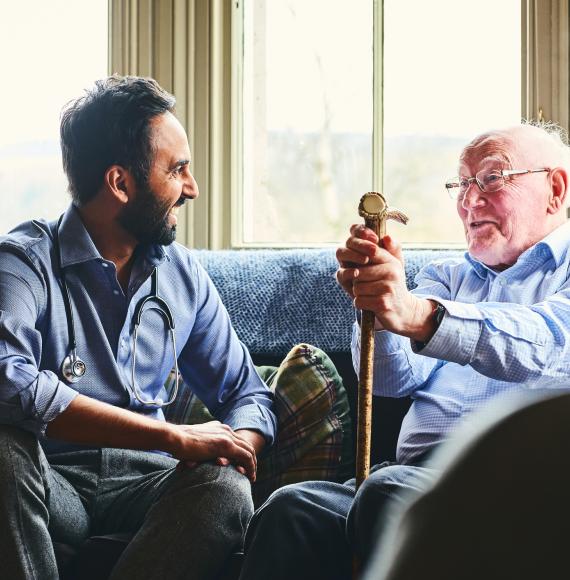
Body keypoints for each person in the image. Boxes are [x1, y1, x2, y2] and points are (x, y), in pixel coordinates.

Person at [238, 122, 570, 580]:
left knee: (387, 493)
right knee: (290, 508)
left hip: (519, 490)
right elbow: (393, 380)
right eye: (462, 183)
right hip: (411, 476)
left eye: (492, 179)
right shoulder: (450, 276)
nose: (470, 200)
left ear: (555, 188)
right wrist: (376, 304)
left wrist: (416, 313)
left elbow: (545, 340)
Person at [0, 75, 276, 580]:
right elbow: (8, 380)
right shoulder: (24, 262)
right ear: (120, 183)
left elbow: (248, 395)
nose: (191, 188)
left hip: (150, 487)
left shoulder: (183, 274)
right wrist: (172, 436)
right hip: (50, 479)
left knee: (227, 488)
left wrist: (235, 447)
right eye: (178, 170)